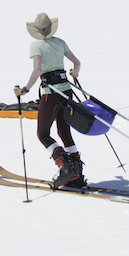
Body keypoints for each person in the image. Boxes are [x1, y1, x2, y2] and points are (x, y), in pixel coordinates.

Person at [14, 12, 84, 188]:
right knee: (64, 131)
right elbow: (77, 63)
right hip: (66, 91)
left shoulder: (36, 45)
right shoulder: (60, 43)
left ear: (37, 30)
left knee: (43, 133)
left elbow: (37, 70)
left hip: (50, 93)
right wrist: (74, 74)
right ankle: (76, 173)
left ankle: (66, 166)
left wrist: (25, 90)